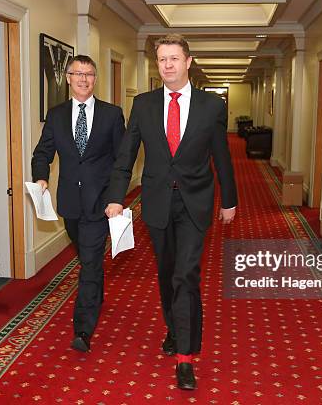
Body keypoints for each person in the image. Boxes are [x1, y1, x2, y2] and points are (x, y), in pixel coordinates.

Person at [105, 34, 237, 390]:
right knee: (167, 275)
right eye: (162, 59)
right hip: (158, 203)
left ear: (188, 61)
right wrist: (117, 196)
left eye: (174, 58)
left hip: (195, 202)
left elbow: (221, 154)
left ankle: (185, 357)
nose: (168, 65)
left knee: (186, 277)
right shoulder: (144, 104)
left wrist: (230, 199)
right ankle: (174, 328)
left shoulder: (211, 106)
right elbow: (126, 155)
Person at [32, 55, 125, 352]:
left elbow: (122, 159)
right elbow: (42, 152)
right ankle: (96, 292)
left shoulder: (112, 114)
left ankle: (83, 330)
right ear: (68, 78)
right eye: (78, 74)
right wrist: (41, 177)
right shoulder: (57, 114)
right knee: (86, 256)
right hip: (70, 202)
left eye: (89, 74)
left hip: (100, 202)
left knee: (89, 262)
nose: (84, 79)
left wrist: (115, 197)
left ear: (95, 80)